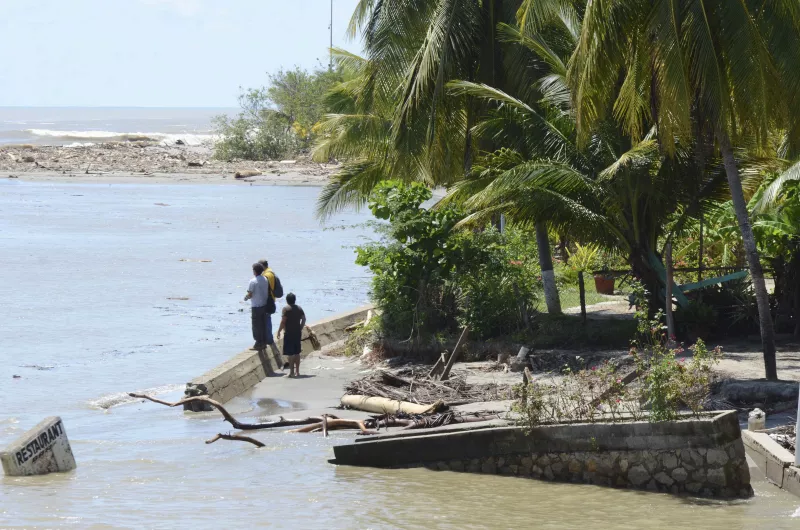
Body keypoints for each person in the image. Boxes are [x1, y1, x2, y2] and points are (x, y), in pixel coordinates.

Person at [257, 259, 283, 367]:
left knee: (266, 320)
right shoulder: (271, 272)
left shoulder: (266, 275)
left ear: (262, 266)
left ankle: (268, 339)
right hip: (271, 299)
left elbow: (264, 288)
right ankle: (268, 338)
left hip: (267, 301)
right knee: (267, 319)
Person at [277, 292, 306, 377]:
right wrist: (300, 327)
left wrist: (279, 331)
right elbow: (304, 319)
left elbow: (283, 322)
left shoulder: (286, 309)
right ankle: (297, 371)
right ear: (294, 300)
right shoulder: (299, 308)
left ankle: (291, 372)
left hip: (289, 333)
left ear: (287, 300)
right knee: (297, 352)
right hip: (297, 333)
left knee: (290, 354)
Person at [244, 263, 270, 351]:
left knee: (256, 326)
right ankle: (263, 343)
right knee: (263, 324)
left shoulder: (253, 281)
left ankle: (258, 343)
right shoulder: (265, 279)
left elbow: (250, 294)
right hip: (264, 305)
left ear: (255, 271)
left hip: (256, 306)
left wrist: (245, 298)